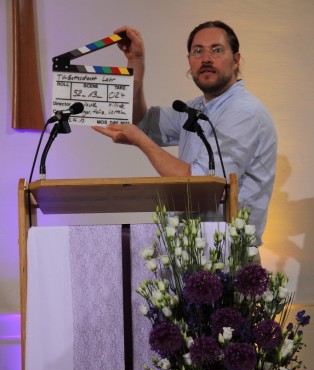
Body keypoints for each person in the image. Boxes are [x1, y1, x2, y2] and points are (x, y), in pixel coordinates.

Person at [92, 21, 277, 246]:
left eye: (217, 50)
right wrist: (136, 62)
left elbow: (200, 182)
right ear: (189, 60)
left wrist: (141, 141)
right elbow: (143, 122)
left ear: (236, 60)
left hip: (228, 257)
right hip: (191, 252)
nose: (206, 58)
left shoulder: (244, 113)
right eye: (198, 51)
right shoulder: (196, 108)